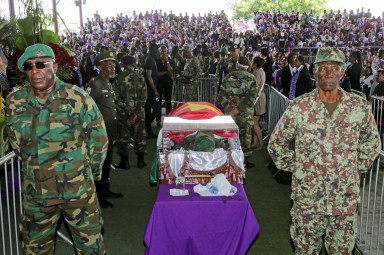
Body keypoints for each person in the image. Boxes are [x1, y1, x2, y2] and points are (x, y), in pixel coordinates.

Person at [268, 47, 381, 254]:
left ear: (342, 73)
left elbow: (371, 143)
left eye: (335, 68)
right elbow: (276, 145)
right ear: (314, 72)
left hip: (343, 201)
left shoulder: (358, 107)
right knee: (305, 250)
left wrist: (353, 169)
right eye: (323, 68)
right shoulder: (300, 107)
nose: (329, 72)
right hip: (308, 201)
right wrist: (301, 167)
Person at [6, 43, 108, 254]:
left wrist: (90, 174)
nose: (35, 71)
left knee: (91, 248)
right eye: (29, 66)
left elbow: (98, 141)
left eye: (42, 65)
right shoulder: (15, 102)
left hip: (77, 192)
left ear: (55, 66)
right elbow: (16, 144)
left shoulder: (78, 98)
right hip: (37, 194)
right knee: (35, 249)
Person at [87, 51, 123, 208]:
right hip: (99, 133)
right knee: (100, 164)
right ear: (100, 67)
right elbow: (87, 108)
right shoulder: (95, 85)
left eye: (113, 64)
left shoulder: (108, 83)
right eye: (109, 65)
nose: (113, 67)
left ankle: (106, 190)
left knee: (107, 162)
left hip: (110, 130)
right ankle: (99, 197)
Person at [219, 56, 259, 168]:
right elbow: (252, 97)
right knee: (245, 137)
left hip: (231, 115)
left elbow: (221, 95)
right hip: (245, 114)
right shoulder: (251, 78)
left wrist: (229, 109)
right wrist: (240, 108)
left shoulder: (227, 78)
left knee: (230, 136)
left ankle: (230, 160)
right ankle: (244, 161)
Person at [114, 55, 148, 169]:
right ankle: (141, 161)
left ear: (122, 64)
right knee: (140, 136)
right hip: (139, 113)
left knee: (123, 136)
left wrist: (128, 110)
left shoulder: (118, 77)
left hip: (124, 113)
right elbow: (144, 97)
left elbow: (116, 97)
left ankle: (125, 162)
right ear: (133, 64)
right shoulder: (140, 77)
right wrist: (136, 112)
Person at [144, 44, 161, 139]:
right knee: (156, 108)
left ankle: (148, 130)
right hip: (150, 90)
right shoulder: (150, 60)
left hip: (151, 89)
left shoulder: (151, 59)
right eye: (157, 50)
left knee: (149, 110)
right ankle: (146, 126)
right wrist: (155, 90)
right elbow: (148, 76)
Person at [251, 56, 266, 150]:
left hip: (258, 99)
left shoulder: (258, 72)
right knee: (255, 122)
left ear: (255, 64)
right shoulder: (259, 71)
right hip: (259, 98)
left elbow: (257, 87)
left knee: (255, 122)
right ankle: (255, 142)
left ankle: (260, 144)